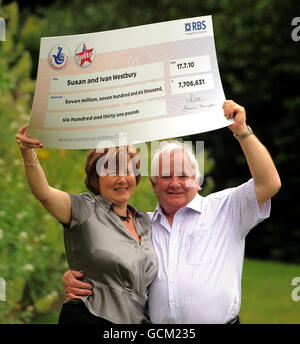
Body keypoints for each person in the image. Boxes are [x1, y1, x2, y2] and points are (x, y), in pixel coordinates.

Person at [62, 100, 281, 323]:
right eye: (166, 176)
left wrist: (242, 132)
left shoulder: (225, 208)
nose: (175, 183)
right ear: (154, 184)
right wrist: (79, 277)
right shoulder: (138, 226)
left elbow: (269, 183)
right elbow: (110, 266)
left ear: (197, 181)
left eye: (183, 175)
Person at [15, 126, 158, 324]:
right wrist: (27, 151)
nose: (121, 179)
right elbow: (43, 192)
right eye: (111, 171)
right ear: (95, 178)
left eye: (127, 170)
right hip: (89, 318)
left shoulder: (147, 222)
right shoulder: (83, 209)